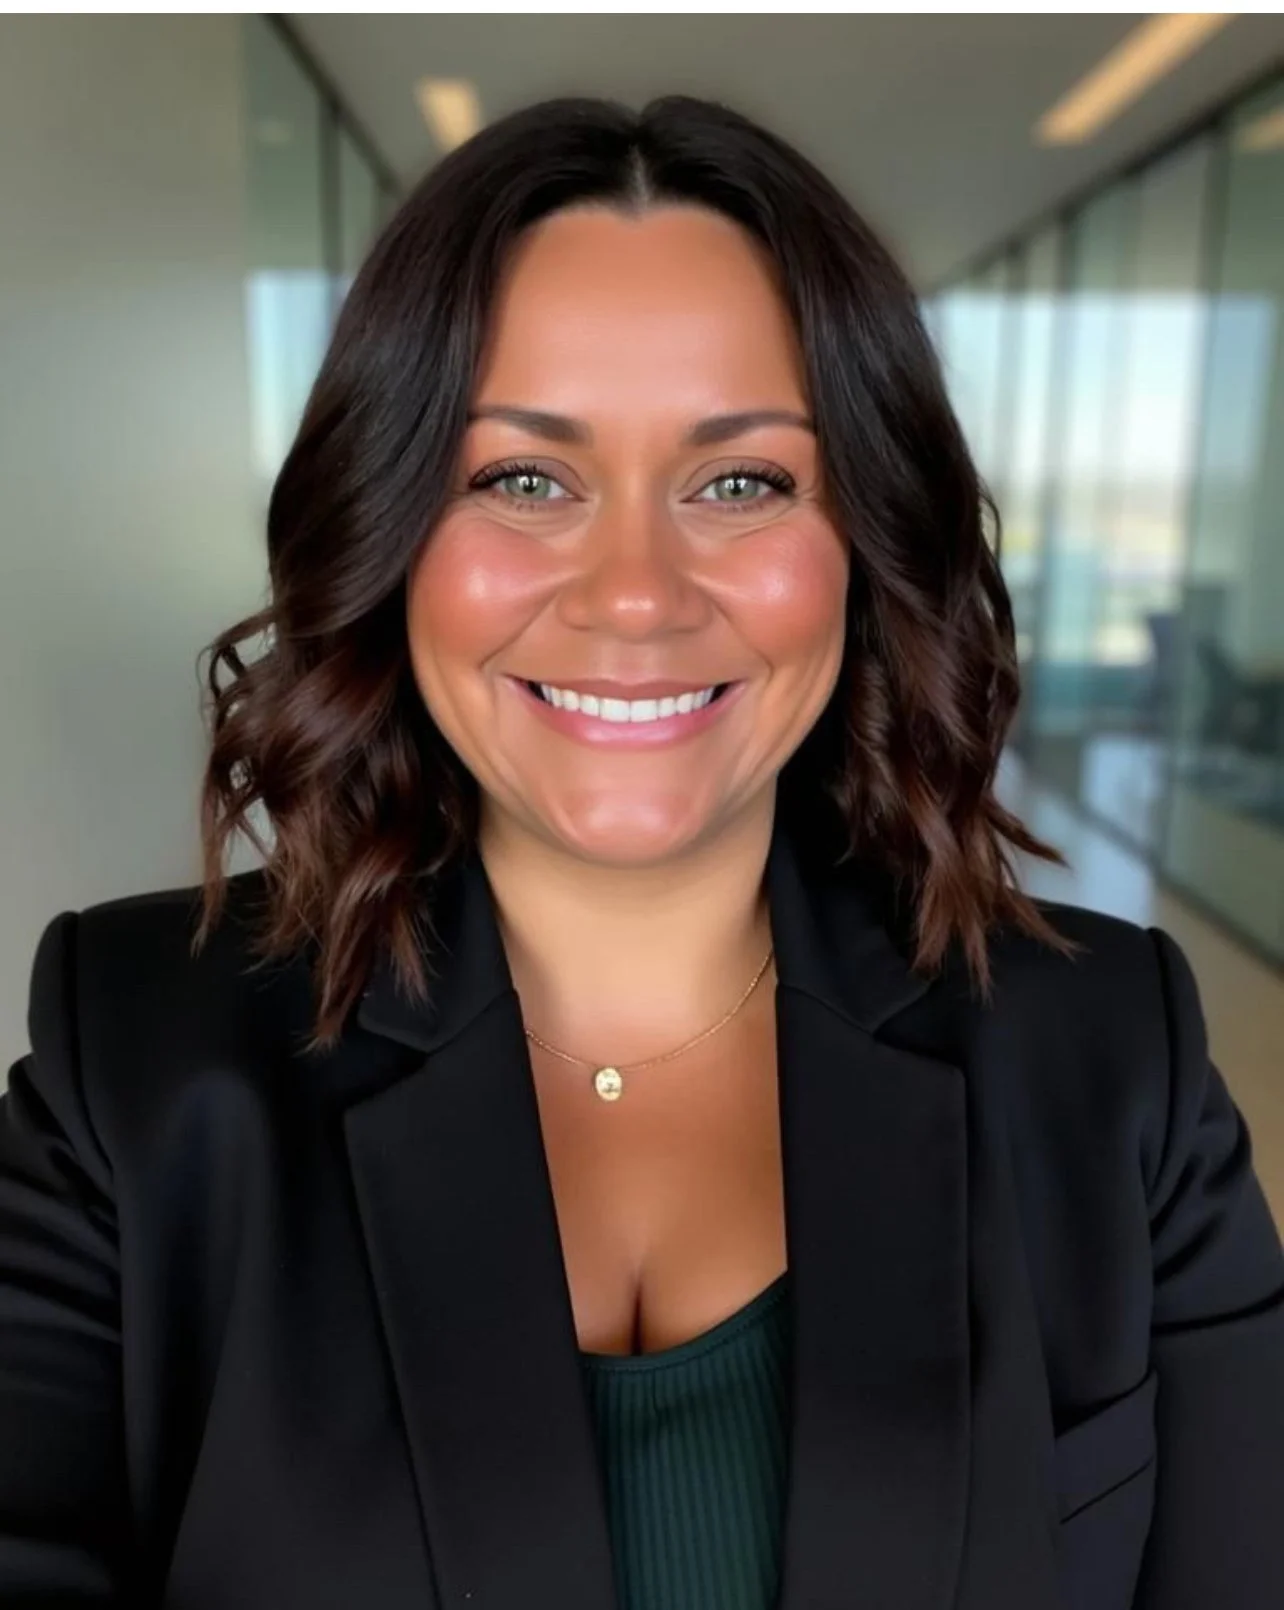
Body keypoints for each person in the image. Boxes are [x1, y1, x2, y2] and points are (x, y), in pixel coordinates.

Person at [2, 93, 1281, 1610]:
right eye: (522, 479)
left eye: (741, 482)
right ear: (390, 529)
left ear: (866, 540)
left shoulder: (1113, 1062)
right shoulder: (132, 1067)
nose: (634, 594)